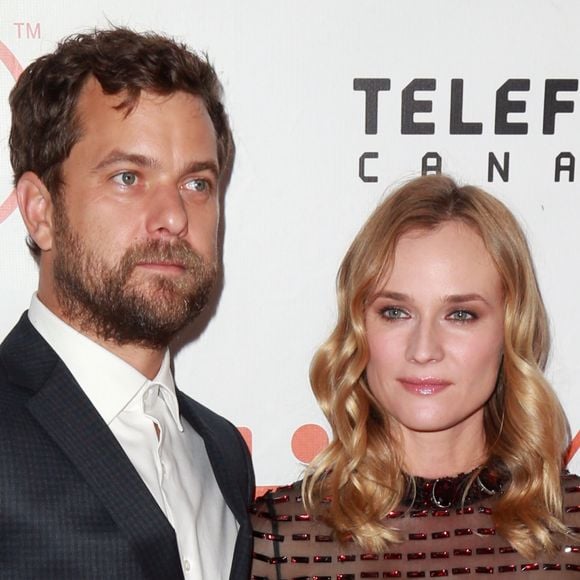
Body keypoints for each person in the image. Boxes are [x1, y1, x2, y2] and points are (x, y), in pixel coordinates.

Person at [1, 27, 254, 579]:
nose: (174, 216)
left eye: (197, 184)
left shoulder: (223, 453)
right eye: (128, 177)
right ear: (40, 211)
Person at [251, 174, 580, 578]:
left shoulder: (570, 529)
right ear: (359, 327)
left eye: (461, 315)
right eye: (395, 312)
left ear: (510, 332)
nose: (424, 350)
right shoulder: (278, 539)